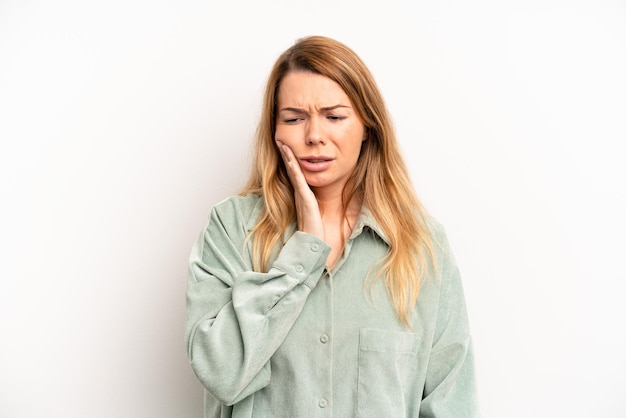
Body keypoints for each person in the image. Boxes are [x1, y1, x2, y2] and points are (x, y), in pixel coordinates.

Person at [185, 35, 479, 417]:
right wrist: (302, 252)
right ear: (275, 130)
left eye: (335, 116)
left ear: (367, 127)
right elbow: (220, 371)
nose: (314, 136)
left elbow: (450, 401)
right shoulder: (231, 228)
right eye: (293, 118)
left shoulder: (422, 244)